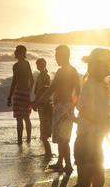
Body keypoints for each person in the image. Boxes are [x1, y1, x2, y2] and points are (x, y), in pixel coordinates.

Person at [38, 48, 110, 187]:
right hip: (87, 141)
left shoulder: (101, 85)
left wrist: (109, 120)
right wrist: (108, 121)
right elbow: (85, 110)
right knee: (84, 184)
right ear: (98, 65)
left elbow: (96, 112)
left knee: (97, 181)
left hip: (94, 140)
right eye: (108, 62)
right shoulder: (91, 86)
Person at [34, 44, 81, 173]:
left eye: (57, 55)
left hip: (63, 107)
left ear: (64, 56)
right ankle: (61, 162)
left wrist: (38, 101)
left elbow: (51, 88)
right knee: (62, 139)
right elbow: (78, 90)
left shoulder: (63, 71)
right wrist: (74, 105)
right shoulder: (73, 70)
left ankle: (68, 165)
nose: (55, 58)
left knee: (63, 139)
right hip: (66, 107)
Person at [7, 44, 33, 145]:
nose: (15, 52)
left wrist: (10, 97)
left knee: (19, 119)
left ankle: (20, 140)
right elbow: (32, 80)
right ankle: (28, 139)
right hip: (24, 93)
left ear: (22, 53)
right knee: (26, 117)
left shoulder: (16, 66)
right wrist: (29, 91)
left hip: (18, 94)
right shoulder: (26, 64)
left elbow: (14, 82)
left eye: (17, 51)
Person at [33, 58, 53, 159]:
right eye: (37, 64)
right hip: (42, 102)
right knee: (43, 124)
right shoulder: (41, 75)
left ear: (43, 65)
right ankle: (47, 151)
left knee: (44, 125)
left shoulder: (45, 76)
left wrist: (37, 101)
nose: (37, 66)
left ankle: (48, 152)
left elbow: (43, 90)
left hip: (43, 103)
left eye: (39, 64)